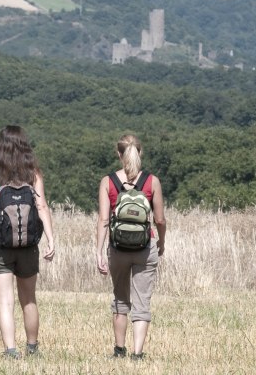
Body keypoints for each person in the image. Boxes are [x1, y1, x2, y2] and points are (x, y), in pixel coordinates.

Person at [0, 125, 55, 359]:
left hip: (1, 245)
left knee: (5, 300)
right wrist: (51, 239)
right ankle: (32, 348)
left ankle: (11, 351)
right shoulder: (33, 172)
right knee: (29, 299)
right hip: (28, 245)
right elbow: (42, 206)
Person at [96, 134, 166, 360]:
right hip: (145, 248)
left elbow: (104, 220)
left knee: (120, 299)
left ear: (119, 154)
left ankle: (119, 350)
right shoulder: (151, 181)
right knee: (142, 300)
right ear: (140, 152)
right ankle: (137, 354)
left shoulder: (108, 182)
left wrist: (99, 251)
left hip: (118, 249)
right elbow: (160, 219)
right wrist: (161, 242)